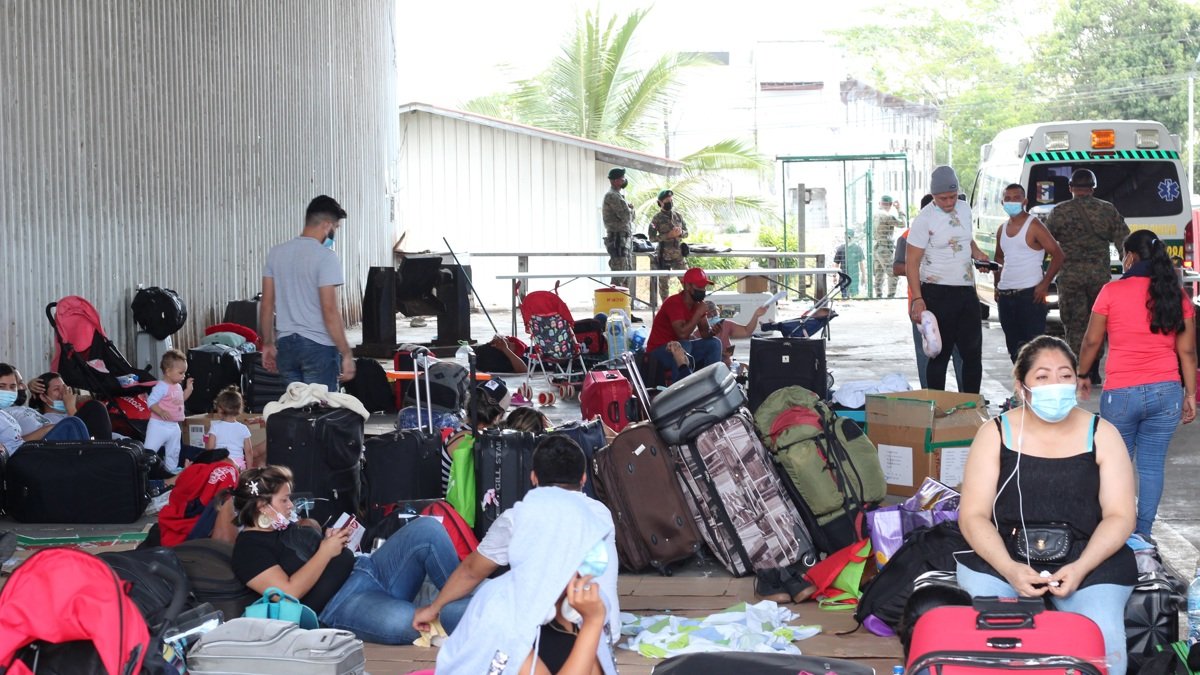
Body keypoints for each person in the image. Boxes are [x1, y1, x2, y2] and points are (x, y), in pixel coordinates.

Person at [956, 336, 1137, 675]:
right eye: (1042, 376)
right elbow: (973, 516)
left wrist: (1080, 567)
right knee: (989, 639)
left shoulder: (1103, 434)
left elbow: (1120, 515)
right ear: (1021, 387)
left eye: (1065, 375)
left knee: (1103, 640)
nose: (1056, 384)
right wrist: (1009, 569)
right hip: (1004, 555)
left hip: (1089, 558)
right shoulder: (994, 434)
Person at [420, 435, 620, 674]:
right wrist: (593, 624)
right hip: (502, 617)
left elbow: (471, 571)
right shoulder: (503, 614)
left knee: (446, 609)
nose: (592, 568)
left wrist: (592, 623)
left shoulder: (588, 604)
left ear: (533, 477)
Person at [230, 465, 472, 644]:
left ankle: (464, 600)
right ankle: (471, 611)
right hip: (340, 604)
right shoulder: (249, 549)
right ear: (262, 507)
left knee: (427, 528)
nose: (290, 505)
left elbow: (311, 554)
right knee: (406, 622)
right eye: (284, 500)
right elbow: (287, 593)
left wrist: (328, 540)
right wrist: (325, 552)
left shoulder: (284, 527)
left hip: (367, 568)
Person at [1076, 229, 1197, 538]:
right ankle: (1142, 535)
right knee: (1152, 466)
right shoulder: (1176, 295)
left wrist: (1083, 374)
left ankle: (1114, 532)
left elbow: (1091, 341)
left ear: (1130, 256)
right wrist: (1190, 394)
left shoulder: (1111, 291)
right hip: (1167, 392)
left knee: (1115, 464)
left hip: (1122, 393)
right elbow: (1187, 352)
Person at [905, 166, 990, 393]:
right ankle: (937, 403)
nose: (949, 202)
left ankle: (972, 403)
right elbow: (911, 262)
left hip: (966, 291)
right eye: (943, 198)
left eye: (953, 196)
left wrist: (978, 254)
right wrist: (918, 299)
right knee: (939, 354)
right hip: (936, 292)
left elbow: (966, 239)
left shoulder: (964, 209)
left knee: (972, 354)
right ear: (933, 195)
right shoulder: (925, 219)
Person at [260, 195, 356, 390]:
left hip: (286, 346)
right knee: (320, 407)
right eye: (336, 228)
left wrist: (268, 343)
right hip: (318, 346)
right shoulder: (326, 257)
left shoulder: (276, 253)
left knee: (295, 406)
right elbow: (329, 310)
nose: (334, 233)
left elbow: (267, 304)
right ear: (327, 225)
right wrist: (346, 353)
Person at [1046, 169, 1130, 384]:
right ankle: (1093, 369)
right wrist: (1129, 273)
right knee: (1097, 322)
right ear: (1093, 188)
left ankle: (1077, 367)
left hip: (1070, 277)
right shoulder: (1107, 210)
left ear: (1071, 188)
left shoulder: (1059, 212)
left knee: (1074, 323)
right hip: (1098, 278)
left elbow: (1045, 243)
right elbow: (1124, 243)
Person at [893, 195, 964, 390]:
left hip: (955, 302)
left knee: (960, 353)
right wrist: (924, 264)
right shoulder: (908, 236)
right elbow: (897, 267)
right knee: (927, 353)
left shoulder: (956, 232)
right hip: (922, 305)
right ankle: (930, 397)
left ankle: (967, 397)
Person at [993, 183, 1066, 362]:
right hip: (1005, 296)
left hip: (1030, 296)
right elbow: (999, 258)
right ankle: (1021, 381)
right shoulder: (1002, 229)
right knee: (1014, 349)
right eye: (1007, 198)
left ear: (1024, 201)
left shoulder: (1034, 226)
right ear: (1002, 203)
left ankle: (1033, 380)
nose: (1012, 202)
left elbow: (1058, 255)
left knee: (1033, 351)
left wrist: (1044, 284)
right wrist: (997, 285)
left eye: (1016, 198)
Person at [644, 267, 722, 383]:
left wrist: (713, 331)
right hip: (658, 353)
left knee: (714, 343)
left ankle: (712, 384)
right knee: (684, 344)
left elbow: (705, 334)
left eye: (704, 287)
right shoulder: (674, 302)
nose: (703, 290)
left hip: (681, 348)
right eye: (699, 287)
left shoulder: (697, 305)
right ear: (687, 286)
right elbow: (682, 334)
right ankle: (680, 387)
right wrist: (698, 313)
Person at [0, 364, 91, 454]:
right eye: (2, 386)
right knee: (72, 423)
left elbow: (17, 443)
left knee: (93, 407)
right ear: (43, 397)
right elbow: (15, 446)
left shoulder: (21, 411)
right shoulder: (8, 413)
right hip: (39, 450)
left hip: (37, 449)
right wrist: (49, 429)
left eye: (13, 386)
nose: (24, 387)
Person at [144, 349, 193, 473]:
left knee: (174, 451)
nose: (183, 376)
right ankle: (142, 471)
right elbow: (151, 401)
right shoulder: (161, 387)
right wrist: (160, 411)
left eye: (184, 373)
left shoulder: (177, 386)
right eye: (181, 373)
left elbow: (179, 400)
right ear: (168, 371)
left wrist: (188, 390)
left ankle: (171, 471)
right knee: (150, 450)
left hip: (174, 425)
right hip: (159, 425)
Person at [649, 189, 689, 302]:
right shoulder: (656, 219)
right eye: (667, 200)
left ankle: (688, 306)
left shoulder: (678, 216)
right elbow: (652, 238)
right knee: (664, 286)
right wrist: (668, 235)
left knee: (687, 282)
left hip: (678, 255)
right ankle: (665, 306)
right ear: (660, 202)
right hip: (663, 256)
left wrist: (681, 233)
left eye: (671, 200)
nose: (670, 202)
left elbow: (687, 233)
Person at [206, 386, 257, 469]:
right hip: (238, 466)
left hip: (220, 465)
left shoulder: (215, 427)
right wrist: (249, 469)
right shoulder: (243, 428)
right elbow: (249, 451)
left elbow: (210, 450)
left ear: (220, 409)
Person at [704, 301, 766, 367]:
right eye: (709, 314)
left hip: (727, 365)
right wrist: (721, 354)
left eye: (714, 313)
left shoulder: (725, 324)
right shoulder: (699, 332)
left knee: (746, 366)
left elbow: (746, 331)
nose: (713, 315)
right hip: (708, 367)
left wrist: (756, 315)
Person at [601, 168, 634, 293]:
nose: (624, 180)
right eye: (622, 178)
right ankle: (614, 301)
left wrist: (630, 210)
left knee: (627, 272)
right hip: (617, 239)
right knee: (619, 274)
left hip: (624, 239)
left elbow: (630, 218)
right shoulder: (612, 196)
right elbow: (626, 217)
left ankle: (625, 303)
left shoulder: (619, 196)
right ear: (615, 181)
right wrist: (630, 209)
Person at [870, 195, 903, 298]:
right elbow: (902, 224)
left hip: (876, 247)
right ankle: (890, 296)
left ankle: (878, 296)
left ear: (880, 203)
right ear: (890, 204)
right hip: (884, 248)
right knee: (893, 273)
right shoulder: (886, 215)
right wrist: (899, 209)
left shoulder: (874, 215)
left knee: (879, 274)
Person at [835, 230, 866, 297]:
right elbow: (836, 264)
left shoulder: (857, 249)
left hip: (854, 276)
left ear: (852, 237)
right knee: (844, 295)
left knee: (854, 295)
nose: (847, 238)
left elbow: (861, 264)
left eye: (848, 237)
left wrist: (863, 276)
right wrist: (834, 276)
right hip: (843, 276)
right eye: (846, 236)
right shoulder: (841, 249)